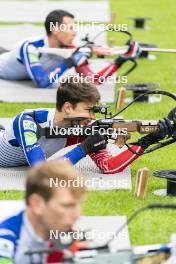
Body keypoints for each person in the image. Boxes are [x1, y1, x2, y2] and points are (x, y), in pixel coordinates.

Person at [0, 78, 175, 173]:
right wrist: (84, 148)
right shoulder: (28, 122)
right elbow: (41, 173)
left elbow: (108, 166)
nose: (92, 117)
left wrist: (148, 139)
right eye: (88, 110)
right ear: (68, 107)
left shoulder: (85, 127)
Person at [0, 9, 141, 88]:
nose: (75, 33)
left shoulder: (72, 49)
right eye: (70, 28)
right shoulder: (30, 47)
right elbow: (42, 82)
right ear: (55, 29)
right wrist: (67, 63)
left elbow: (93, 81)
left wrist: (119, 61)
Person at [0, 159, 87, 263]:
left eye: (78, 205)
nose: (77, 215)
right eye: (66, 206)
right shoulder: (6, 238)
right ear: (36, 204)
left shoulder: (66, 235)